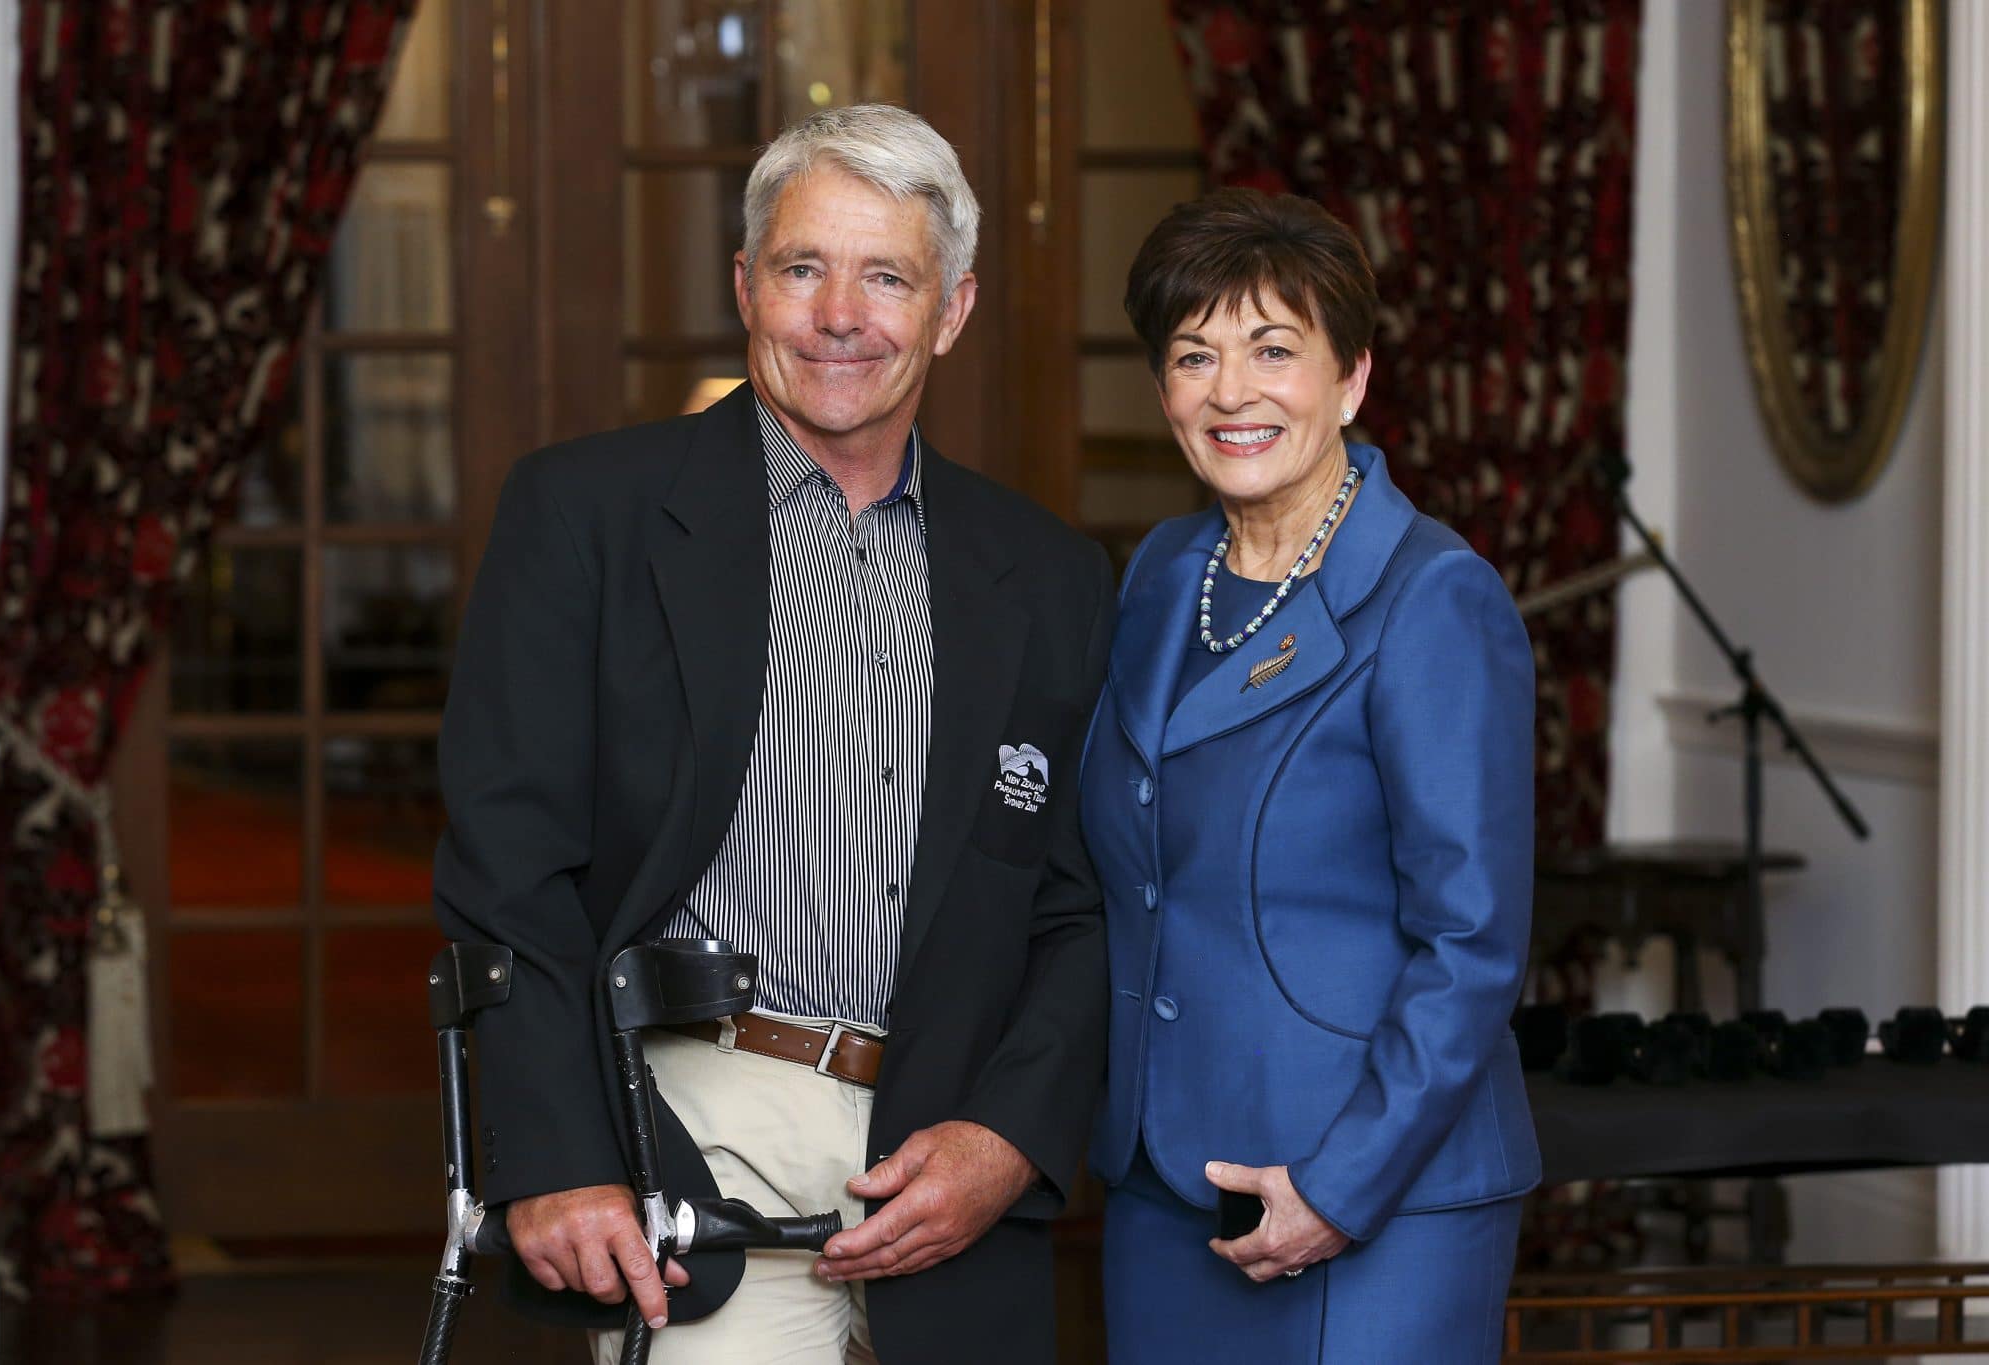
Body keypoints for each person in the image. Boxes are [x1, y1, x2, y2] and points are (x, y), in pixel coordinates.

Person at [433, 104, 1115, 1365]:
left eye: (887, 277)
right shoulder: (588, 516)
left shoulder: (1049, 576)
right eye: (803, 268)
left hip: (948, 1149)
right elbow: (504, 870)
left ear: (951, 310)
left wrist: (1007, 1140)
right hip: (697, 1123)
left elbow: (1077, 905)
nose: (840, 314)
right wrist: (560, 1157)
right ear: (745, 285)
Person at [1078, 188, 1540, 1361]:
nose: (1230, 392)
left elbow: (1470, 941)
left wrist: (1339, 1186)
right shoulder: (1161, 572)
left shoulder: (1432, 597)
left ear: (1350, 380)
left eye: (1272, 350)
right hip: (1162, 1190)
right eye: (1193, 356)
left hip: (1370, 1197)